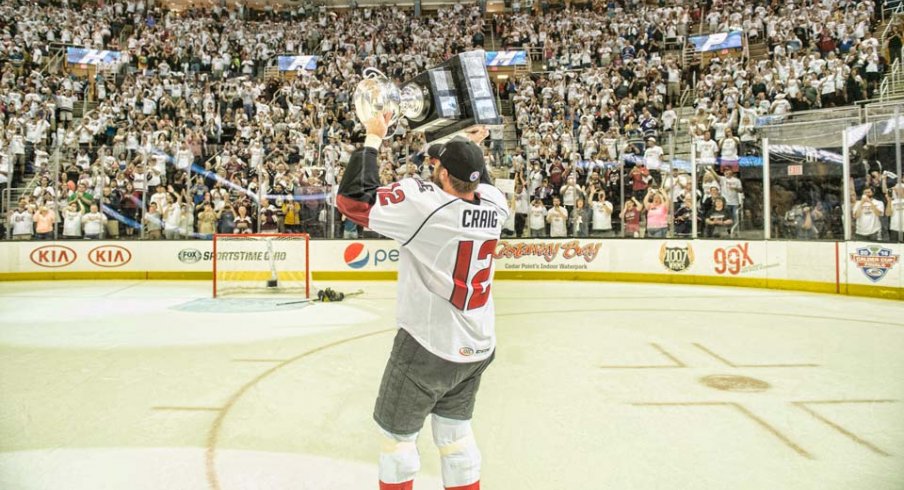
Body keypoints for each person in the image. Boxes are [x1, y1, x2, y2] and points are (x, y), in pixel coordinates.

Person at [337, 113, 507, 490]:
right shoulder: (496, 203)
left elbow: (351, 201)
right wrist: (470, 148)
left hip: (429, 345)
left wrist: (372, 138)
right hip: (477, 344)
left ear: (444, 175)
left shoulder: (425, 207)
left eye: (439, 166)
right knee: (456, 437)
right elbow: (475, 181)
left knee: (397, 444)